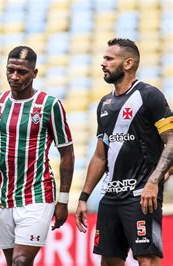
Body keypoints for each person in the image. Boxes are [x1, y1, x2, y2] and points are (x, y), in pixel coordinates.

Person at [75, 38, 173, 265]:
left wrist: (153, 182)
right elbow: (100, 155)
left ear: (128, 63)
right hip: (110, 197)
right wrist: (84, 197)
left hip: (141, 196)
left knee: (147, 260)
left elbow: (171, 141)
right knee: (109, 261)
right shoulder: (105, 104)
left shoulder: (149, 96)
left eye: (109, 58)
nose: (103, 63)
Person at [0, 46, 75, 265]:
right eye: (10, 70)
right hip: (4, 199)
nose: (14, 76)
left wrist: (63, 200)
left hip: (38, 195)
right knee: (13, 262)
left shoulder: (49, 105)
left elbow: (67, 152)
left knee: (21, 261)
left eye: (21, 72)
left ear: (34, 73)